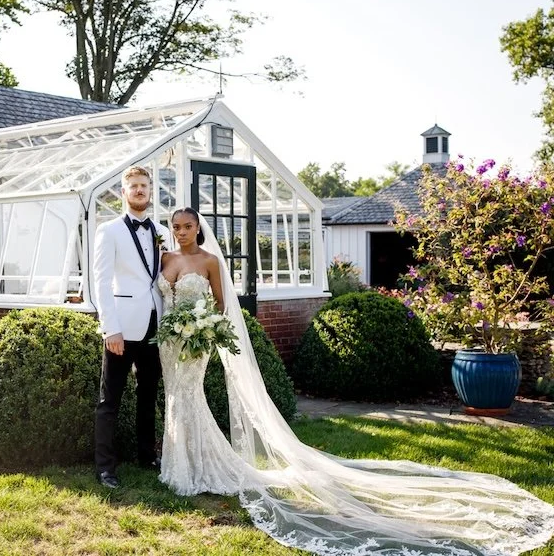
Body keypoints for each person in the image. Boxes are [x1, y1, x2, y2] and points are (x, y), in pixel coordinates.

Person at [156, 207, 554, 556]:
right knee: (175, 398)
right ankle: (183, 464)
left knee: (188, 397)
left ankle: (190, 469)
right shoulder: (164, 257)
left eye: (187, 226)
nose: (181, 231)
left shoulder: (209, 261)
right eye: (176, 226)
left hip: (198, 340)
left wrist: (203, 330)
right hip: (168, 340)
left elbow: (222, 307)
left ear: (198, 228)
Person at [93, 166, 171, 490]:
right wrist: (111, 329)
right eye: (133, 186)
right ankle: (105, 468)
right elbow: (100, 282)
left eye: (144, 186)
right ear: (124, 192)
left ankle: (145, 455)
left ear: (151, 191)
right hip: (122, 329)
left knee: (148, 395)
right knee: (109, 400)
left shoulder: (163, 231)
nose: (139, 191)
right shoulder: (108, 230)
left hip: (155, 325)